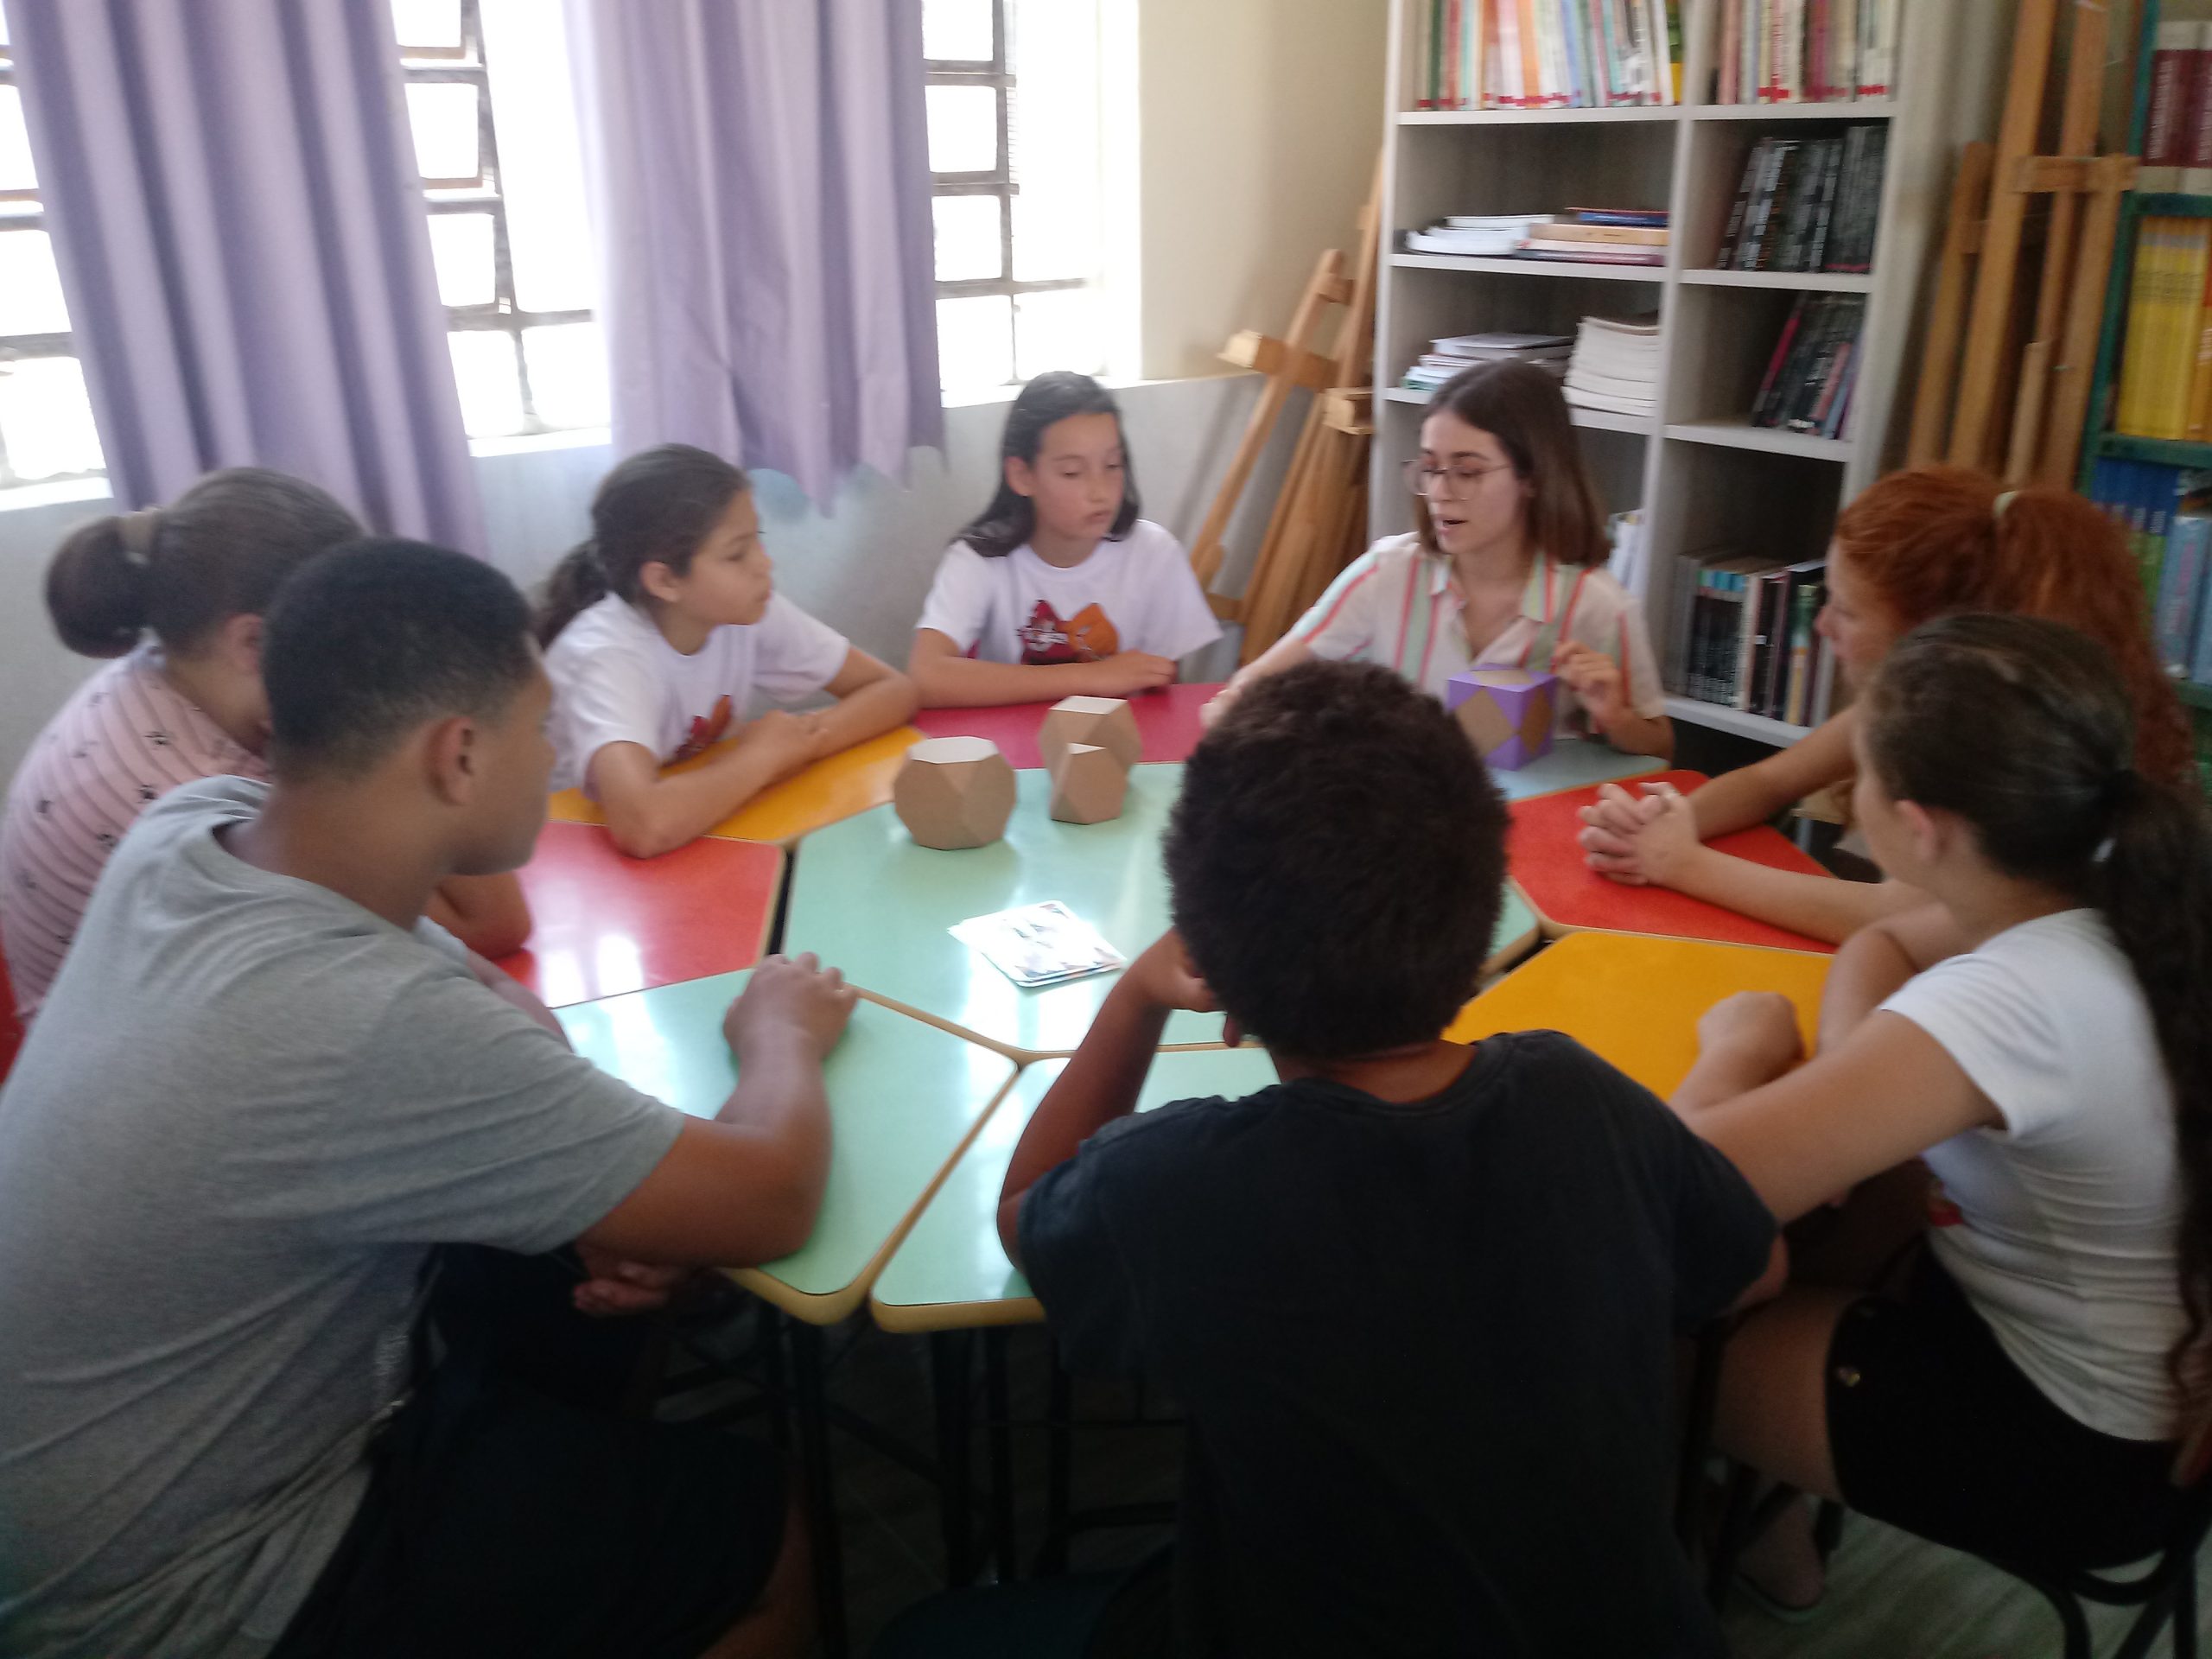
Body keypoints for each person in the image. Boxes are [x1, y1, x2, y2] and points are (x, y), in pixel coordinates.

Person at [0, 540, 857, 1659]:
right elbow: (774, 1197)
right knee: (757, 1522)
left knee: (560, 1283)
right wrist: (779, 1031)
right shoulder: (360, 1021)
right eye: (539, 727)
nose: (550, 752)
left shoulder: (193, 824)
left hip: (72, 1495)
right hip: (175, 1593)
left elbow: (491, 1000)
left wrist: (597, 1189)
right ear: (457, 755)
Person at [989, 659, 1774, 1655]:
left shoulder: (1176, 1184)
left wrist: (1135, 996)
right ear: (1481, 927)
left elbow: (1025, 1213)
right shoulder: (1577, 1094)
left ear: (1216, 964)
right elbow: (1752, 1266)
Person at [1669, 613, 2207, 1609]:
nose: (1849, 792)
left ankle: (1753, 1548)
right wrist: (1851, 1073)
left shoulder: (2009, 1002)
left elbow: (1681, 1192)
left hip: (2074, 1456)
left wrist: (1737, 1050)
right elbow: (1884, 945)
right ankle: (1761, 1521)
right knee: (1816, 1231)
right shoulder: (2105, 889)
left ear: (1918, 827)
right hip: (2133, 1396)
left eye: (1860, 776)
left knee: (1638, 1334)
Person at [1576, 467, 2194, 944]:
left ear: (1933, 633)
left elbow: (1889, 916)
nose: (1821, 626)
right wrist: (1663, 824)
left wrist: (1682, 864)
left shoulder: (2006, 754)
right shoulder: (1925, 696)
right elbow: (1770, 781)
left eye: (1846, 610)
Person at [0, 469, 529, 1018]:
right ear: (253, 641)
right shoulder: (204, 791)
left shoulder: (172, 674)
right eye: (347, 639)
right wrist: (416, 703)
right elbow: (488, 923)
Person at [1206, 361, 1674, 758]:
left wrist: (1616, 718)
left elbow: (1661, 749)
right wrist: (1237, 703)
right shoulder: (1386, 573)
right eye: (1430, 468)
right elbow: (1259, 681)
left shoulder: (1598, 606)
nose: (1440, 492)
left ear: (1532, 477)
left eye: (1467, 472)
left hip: (1538, 819)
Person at [538, 444, 917, 858]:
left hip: (695, 823)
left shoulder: (744, 611)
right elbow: (644, 826)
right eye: (737, 554)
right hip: (571, 854)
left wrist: (797, 745)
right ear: (665, 581)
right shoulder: (608, 657)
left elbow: (893, 690)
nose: (764, 564)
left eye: (758, 540)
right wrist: (762, 759)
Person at [907, 371, 1221, 706]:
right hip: (1015, 737)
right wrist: (1092, 677)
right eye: (1072, 472)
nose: (1100, 492)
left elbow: (1165, 691)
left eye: (1113, 465)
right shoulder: (979, 558)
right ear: (1022, 475)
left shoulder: (1154, 554)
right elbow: (926, 677)